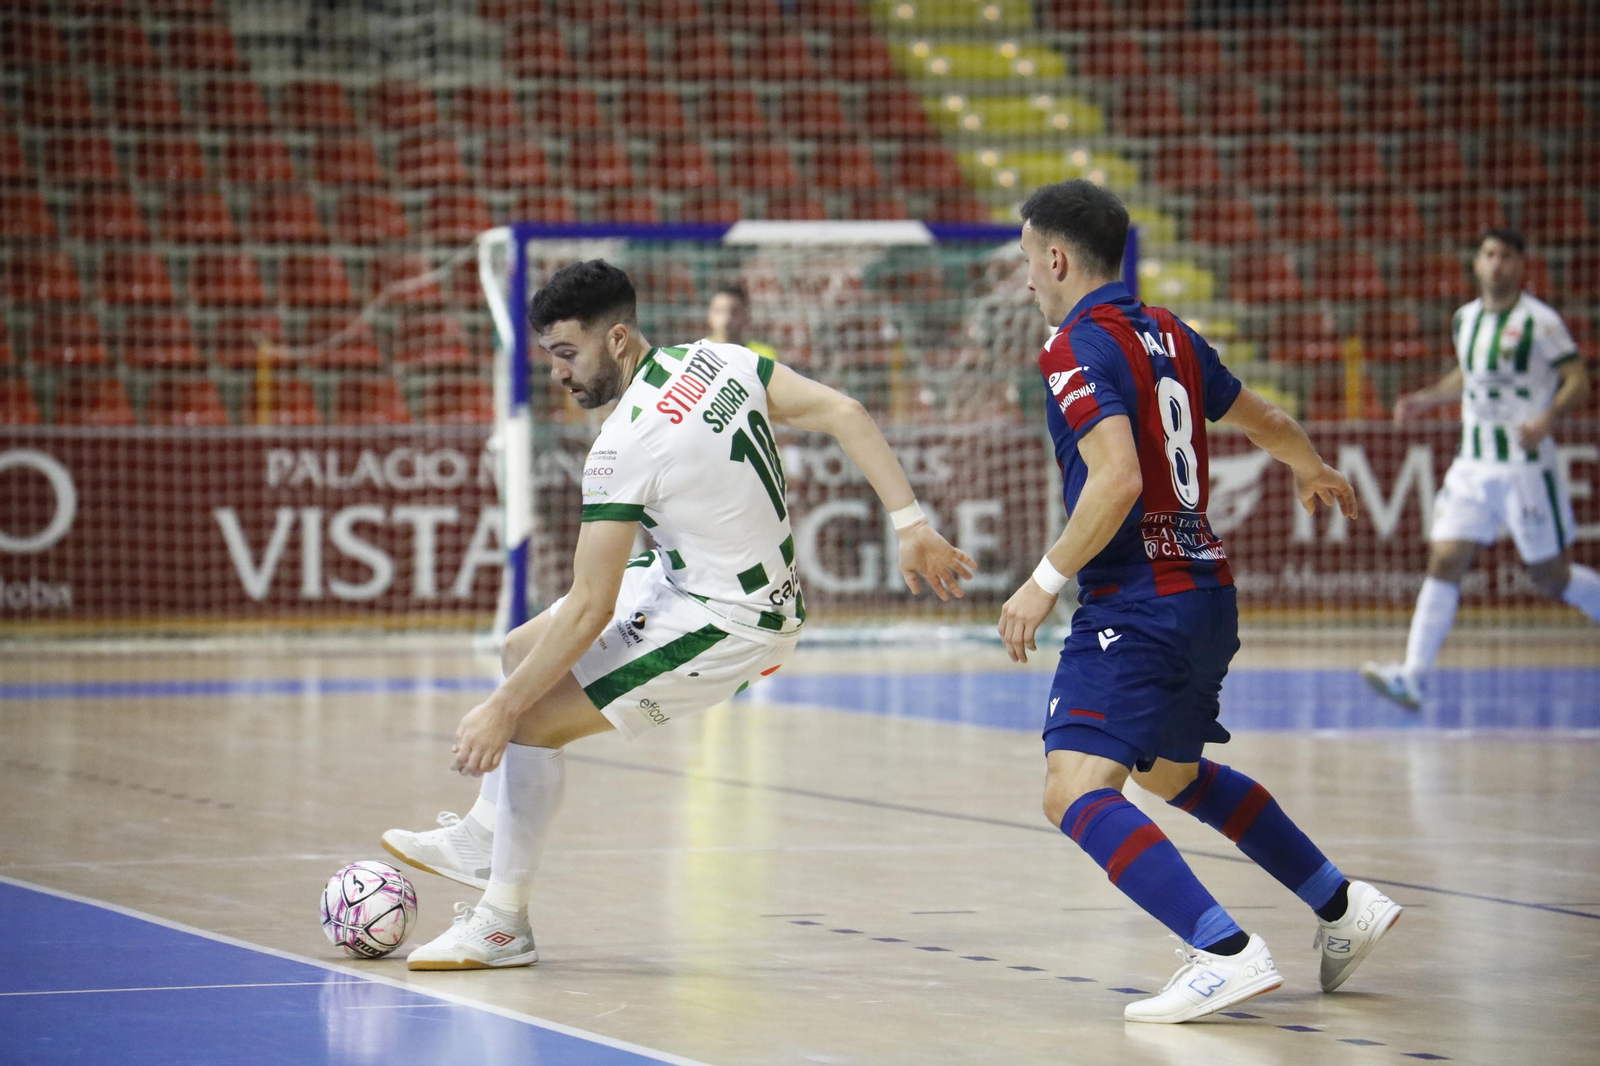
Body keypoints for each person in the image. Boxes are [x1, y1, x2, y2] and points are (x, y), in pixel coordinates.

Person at [383, 259, 975, 970]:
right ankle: (486, 835)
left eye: (568, 354)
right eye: (551, 357)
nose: (558, 374)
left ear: (620, 338)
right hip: (691, 576)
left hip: (731, 619)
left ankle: (503, 926)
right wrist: (910, 523)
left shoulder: (623, 445)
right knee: (520, 649)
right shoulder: (716, 358)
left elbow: (590, 606)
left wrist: (499, 713)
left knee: (533, 720)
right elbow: (845, 411)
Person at [999, 180, 1402, 1024]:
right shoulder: (1170, 331)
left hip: (1136, 601)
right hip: (1206, 593)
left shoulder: (1074, 347)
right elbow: (1268, 418)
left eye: (1029, 257)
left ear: (1059, 257)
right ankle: (1341, 905)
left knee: (1071, 789)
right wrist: (1310, 465)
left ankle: (1221, 951)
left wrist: (1040, 583)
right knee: (1170, 772)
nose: (1026, 276)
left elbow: (1117, 480)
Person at [1363, 229, 1596, 709]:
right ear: (1476, 263)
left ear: (1520, 266)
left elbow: (1578, 380)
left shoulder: (1541, 321)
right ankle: (1411, 676)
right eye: (1489, 255)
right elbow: (1467, 374)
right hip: (1472, 464)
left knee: (1550, 576)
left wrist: (1547, 417)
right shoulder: (1465, 320)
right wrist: (1426, 399)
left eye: (1507, 256)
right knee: (1445, 558)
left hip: (1524, 466)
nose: (1497, 264)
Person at [705, 281, 778, 361]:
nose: (726, 319)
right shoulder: (696, 353)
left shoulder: (763, 357)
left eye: (734, 312)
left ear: (746, 315)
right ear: (709, 314)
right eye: (719, 311)